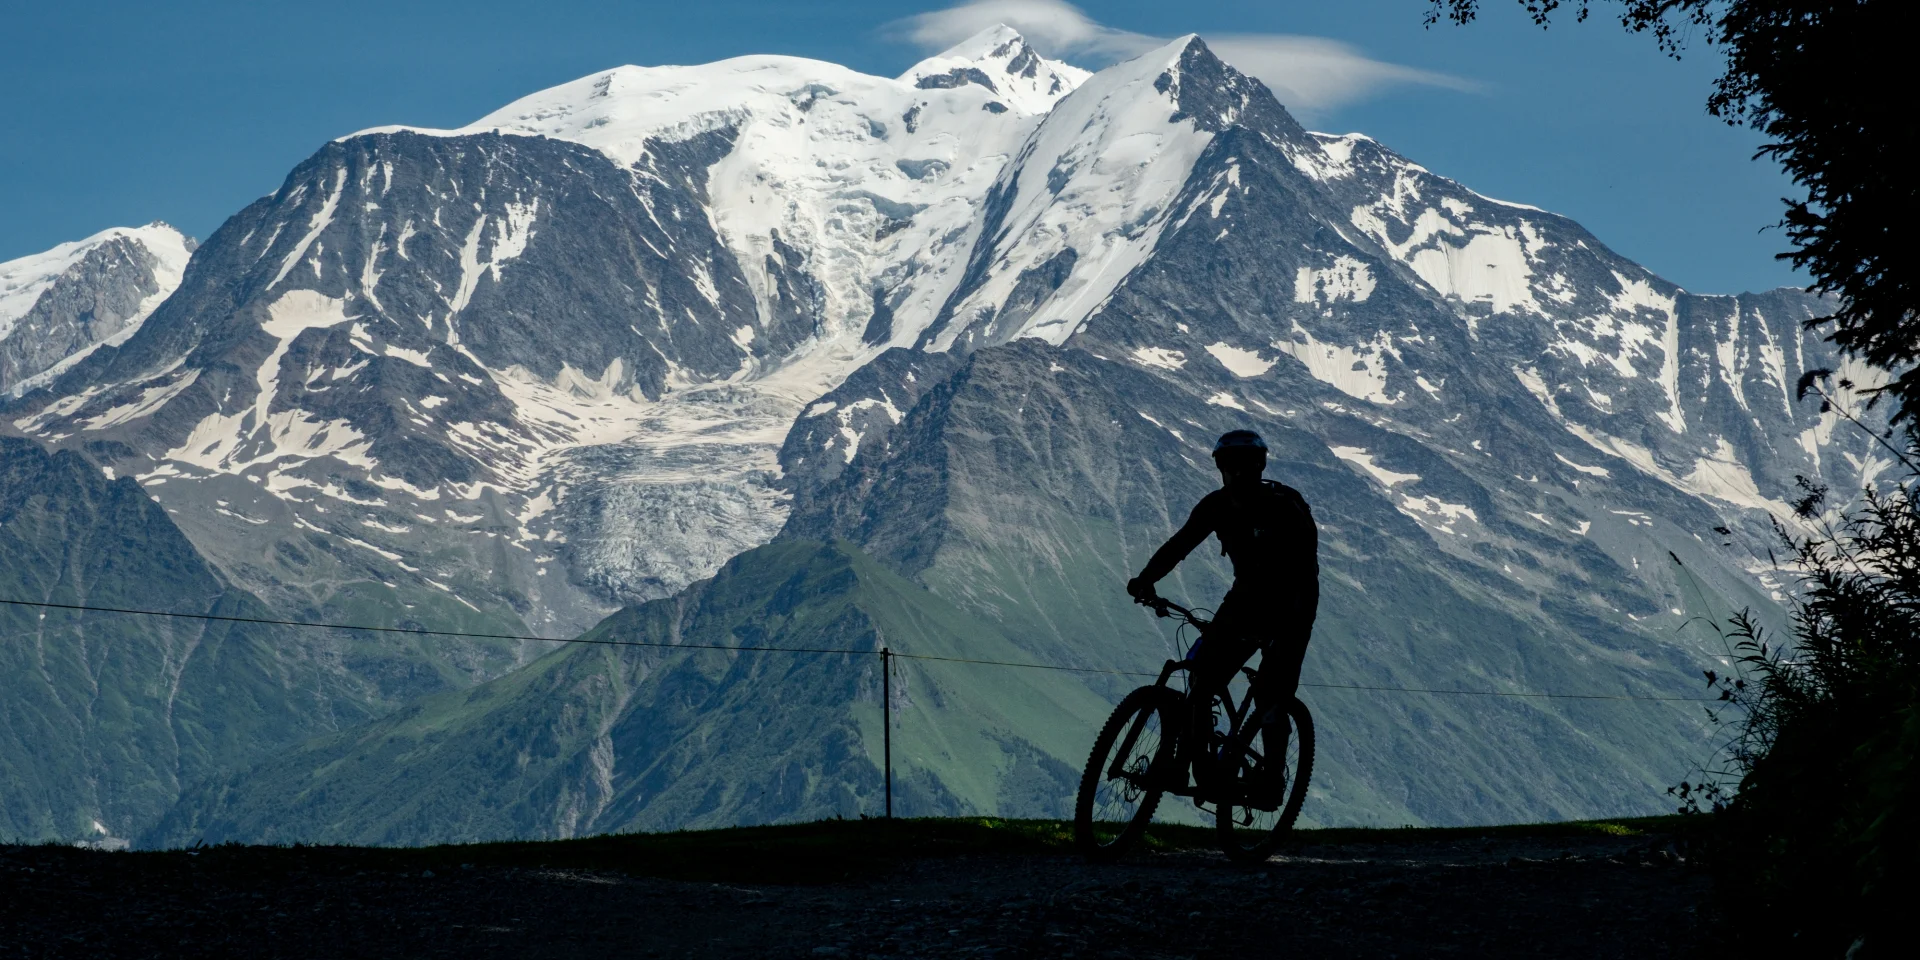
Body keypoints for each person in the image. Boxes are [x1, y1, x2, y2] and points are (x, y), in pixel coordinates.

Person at [1126, 429, 1318, 798]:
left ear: (1260, 465)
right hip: (1245, 601)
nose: (1238, 471)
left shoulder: (1284, 504)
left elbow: (1304, 567)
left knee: (1270, 693)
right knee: (1202, 679)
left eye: (1246, 464)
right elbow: (1180, 544)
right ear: (1220, 467)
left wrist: (1285, 624)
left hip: (1293, 604)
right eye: (1230, 465)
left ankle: (1271, 780)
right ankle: (1190, 768)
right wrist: (1146, 580)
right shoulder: (1216, 506)